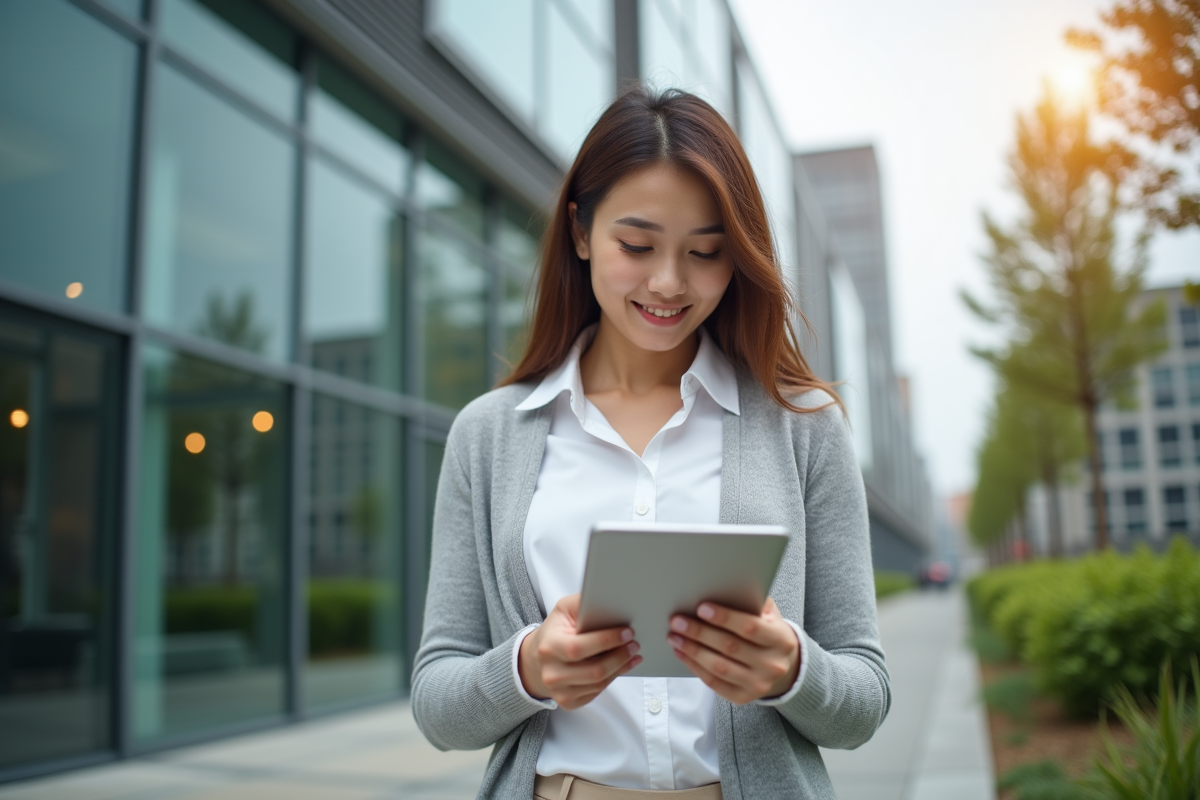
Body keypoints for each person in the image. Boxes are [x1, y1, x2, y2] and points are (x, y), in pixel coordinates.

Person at [411, 86, 889, 800]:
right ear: (580, 231)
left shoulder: (805, 424)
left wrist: (791, 670)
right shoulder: (487, 435)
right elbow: (436, 700)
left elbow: (865, 697)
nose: (669, 283)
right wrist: (526, 668)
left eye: (706, 252)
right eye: (636, 245)